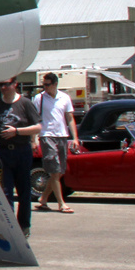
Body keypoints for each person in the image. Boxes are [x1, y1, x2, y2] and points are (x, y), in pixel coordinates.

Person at [0, 79, 42, 235]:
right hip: (3, 152)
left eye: (7, 84)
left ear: (15, 84)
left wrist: (17, 131)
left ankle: (24, 225)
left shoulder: (25, 103)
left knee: (24, 191)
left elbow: (38, 126)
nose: (4, 87)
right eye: (1, 85)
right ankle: (9, 226)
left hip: (21, 151)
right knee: (5, 191)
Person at [34, 72, 81, 214]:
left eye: (47, 84)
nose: (45, 87)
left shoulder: (64, 98)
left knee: (60, 171)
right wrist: (34, 138)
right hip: (47, 135)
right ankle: (61, 204)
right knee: (54, 171)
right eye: (44, 84)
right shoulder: (39, 98)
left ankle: (43, 198)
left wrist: (75, 138)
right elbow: (34, 119)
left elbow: (70, 118)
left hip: (62, 136)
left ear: (55, 84)